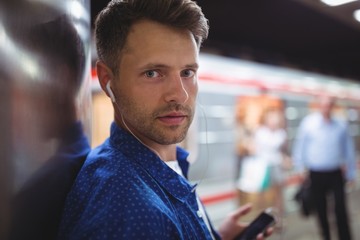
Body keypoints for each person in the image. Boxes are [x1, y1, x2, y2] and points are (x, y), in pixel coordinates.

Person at [58, 0, 272, 239]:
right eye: (153, 73)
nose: (180, 94)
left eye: (187, 72)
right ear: (108, 80)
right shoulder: (129, 212)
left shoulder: (158, 167)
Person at [8, 10, 91, 240]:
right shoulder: (93, 166)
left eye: (26, 80)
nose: (20, 98)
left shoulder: (40, 195)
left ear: (60, 79)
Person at [292, 95, 356, 240]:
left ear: (333, 106)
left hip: (335, 172)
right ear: (319, 105)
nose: (326, 107)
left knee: (340, 208)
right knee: (320, 209)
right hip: (316, 173)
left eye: (329, 104)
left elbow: (349, 150)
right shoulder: (308, 123)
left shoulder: (341, 124)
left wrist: (351, 174)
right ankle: (326, 236)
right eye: (323, 104)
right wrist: (299, 168)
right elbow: (300, 147)